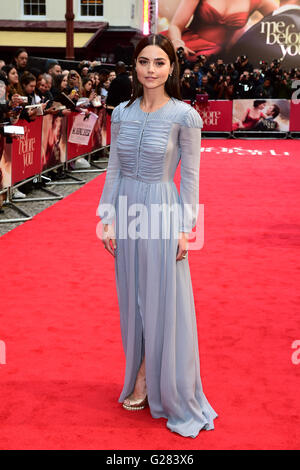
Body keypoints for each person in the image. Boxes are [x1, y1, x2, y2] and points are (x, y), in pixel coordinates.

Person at [97, 33, 218, 438]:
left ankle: (150, 380)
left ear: (171, 68)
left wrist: (186, 229)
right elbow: (113, 169)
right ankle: (140, 370)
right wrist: (106, 216)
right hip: (128, 206)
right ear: (135, 66)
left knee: (160, 299)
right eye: (145, 62)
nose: (151, 70)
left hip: (162, 210)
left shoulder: (184, 115)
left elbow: (191, 176)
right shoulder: (122, 114)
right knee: (133, 296)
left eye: (159, 63)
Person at [161, 0, 278, 61]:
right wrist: (177, 43)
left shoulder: (259, 1)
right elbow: (175, 25)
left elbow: (286, 15)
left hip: (222, 56)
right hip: (189, 49)